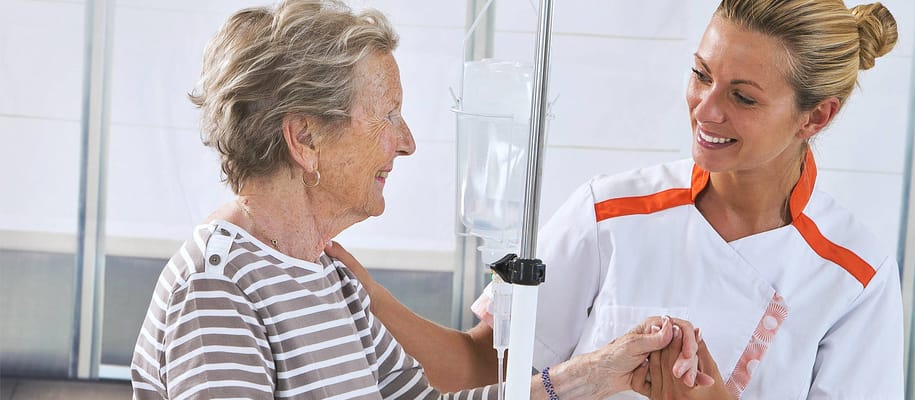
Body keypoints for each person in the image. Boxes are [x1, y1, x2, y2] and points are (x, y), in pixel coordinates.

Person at [331, 0, 904, 398]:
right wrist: (366, 292)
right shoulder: (610, 213)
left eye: (743, 98)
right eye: (701, 75)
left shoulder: (853, 275)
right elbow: (485, 370)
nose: (706, 110)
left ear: (817, 115)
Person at [128, 0, 699, 398]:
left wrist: (598, 375)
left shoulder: (329, 276)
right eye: (387, 116)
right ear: (304, 138)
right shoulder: (218, 289)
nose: (407, 143)